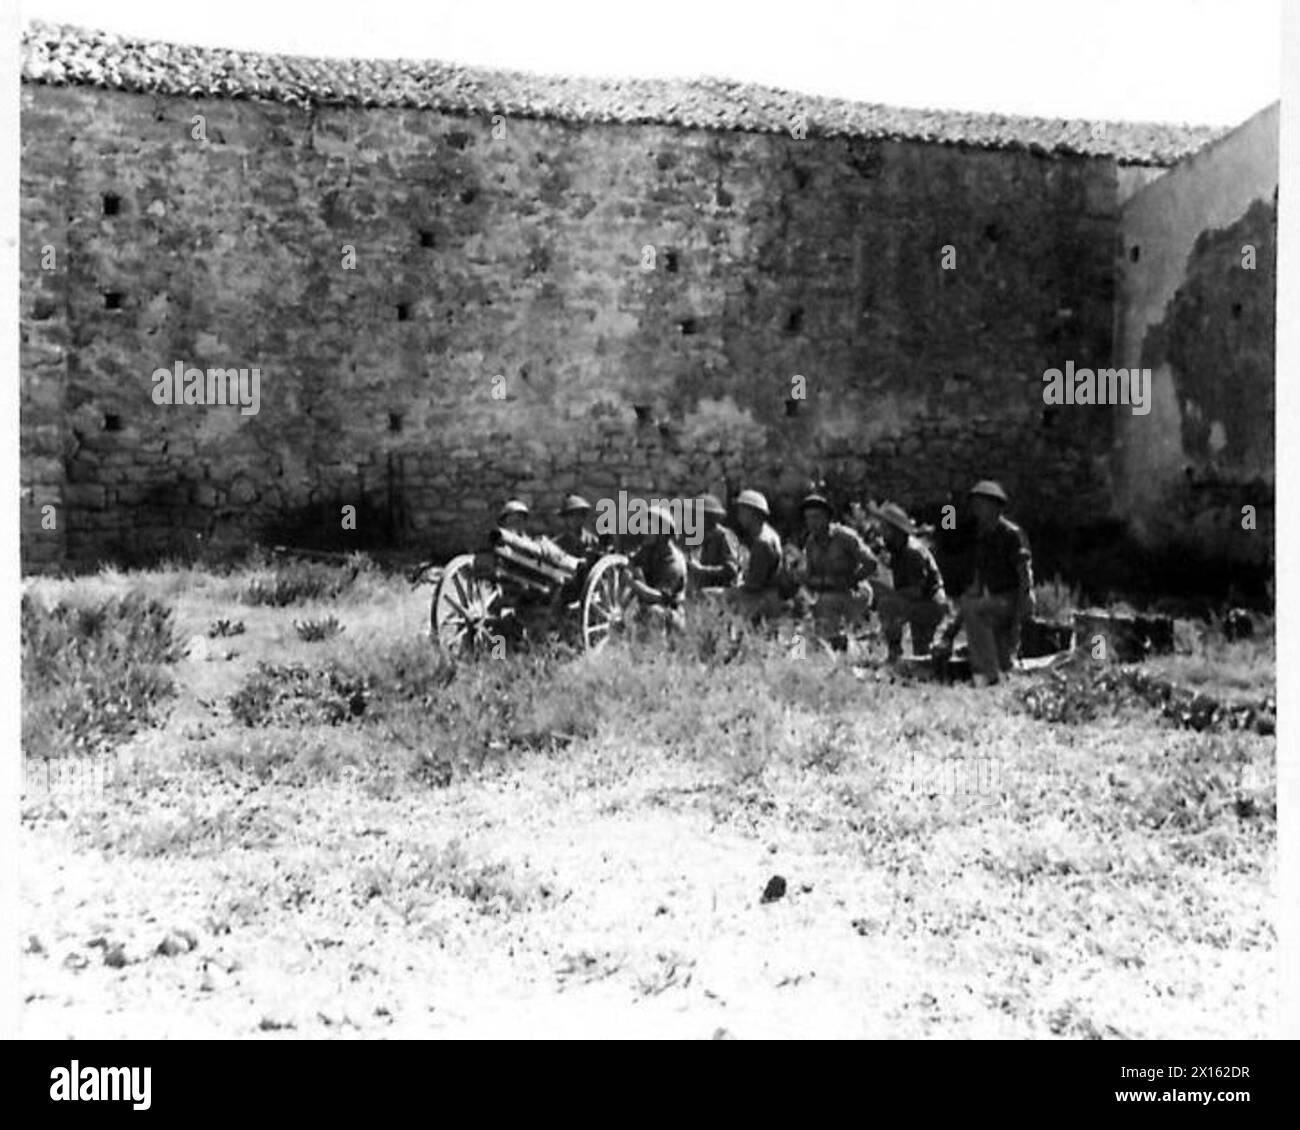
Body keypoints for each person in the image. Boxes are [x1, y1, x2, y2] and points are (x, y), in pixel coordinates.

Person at [933, 480, 1035, 686]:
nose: (976, 510)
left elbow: (1024, 571)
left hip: (1012, 598)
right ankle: (996, 672)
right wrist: (950, 629)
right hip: (995, 599)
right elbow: (978, 577)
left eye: (981, 505)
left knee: (975, 611)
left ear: (994, 507)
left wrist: (1027, 600)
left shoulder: (1011, 534)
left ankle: (985, 675)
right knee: (975, 612)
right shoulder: (982, 536)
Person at [869, 501, 949, 661]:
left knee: (887, 605)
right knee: (922, 653)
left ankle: (894, 653)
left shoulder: (912, 553)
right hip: (928, 603)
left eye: (885, 528)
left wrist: (885, 593)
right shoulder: (899, 549)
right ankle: (922, 664)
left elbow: (915, 591)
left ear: (895, 531)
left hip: (930, 604)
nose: (881, 532)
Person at [798, 492, 877, 645]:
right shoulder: (810, 544)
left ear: (827, 518)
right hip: (826, 593)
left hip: (854, 592)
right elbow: (808, 574)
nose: (811, 523)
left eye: (816, 517)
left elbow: (871, 562)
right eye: (808, 518)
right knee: (798, 612)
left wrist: (850, 580)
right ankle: (800, 656)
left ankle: (839, 644)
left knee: (826, 603)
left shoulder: (845, 537)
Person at [628, 506, 687, 632]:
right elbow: (631, 564)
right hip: (648, 607)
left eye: (650, 529)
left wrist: (634, 584)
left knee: (653, 612)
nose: (644, 532)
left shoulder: (674, 563)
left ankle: (658, 650)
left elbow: (659, 598)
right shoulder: (650, 549)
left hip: (669, 615)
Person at [729, 489, 784, 621]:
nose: (739, 516)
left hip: (762, 600)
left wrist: (734, 588)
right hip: (769, 596)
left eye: (742, 511)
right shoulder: (769, 534)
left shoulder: (762, 542)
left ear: (753, 514)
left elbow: (754, 585)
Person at [687, 493, 742, 590]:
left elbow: (731, 570)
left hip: (723, 591)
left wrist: (701, 570)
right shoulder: (702, 536)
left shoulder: (724, 536)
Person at [554, 494, 599, 559]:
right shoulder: (557, 543)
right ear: (565, 518)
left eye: (579, 514)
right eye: (571, 515)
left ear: (584, 517)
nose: (575, 519)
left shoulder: (593, 541)